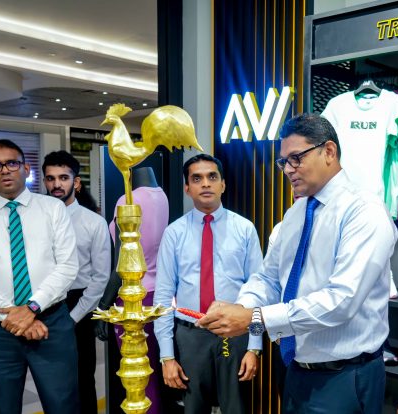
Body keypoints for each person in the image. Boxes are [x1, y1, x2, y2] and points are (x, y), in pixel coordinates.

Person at [199, 113, 397, 413]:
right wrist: (241, 306)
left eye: (296, 158)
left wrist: (253, 318)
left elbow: (341, 300)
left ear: (328, 151)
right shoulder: (295, 214)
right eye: (284, 162)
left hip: (345, 375)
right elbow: (268, 278)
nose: (288, 169)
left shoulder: (364, 211)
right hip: (296, 369)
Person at [0, 139, 80, 414]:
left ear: (26, 168)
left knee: (63, 405)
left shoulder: (53, 208)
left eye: (11, 163)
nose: (4, 170)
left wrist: (32, 308)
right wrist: (14, 316)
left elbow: (68, 266)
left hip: (51, 323)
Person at [153, 154, 263, 414]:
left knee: (236, 409)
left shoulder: (244, 229)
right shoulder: (174, 233)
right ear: (187, 188)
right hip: (190, 336)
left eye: (212, 177)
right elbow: (163, 296)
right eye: (197, 178)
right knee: (193, 409)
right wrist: (167, 356)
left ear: (222, 184)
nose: (205, 183)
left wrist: (255, 347)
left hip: (234, 333)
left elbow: (259, 291)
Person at [97, 166, 171, 414]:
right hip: (157, 295)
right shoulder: (161, 195)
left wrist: (103, 307)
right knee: (152, 374)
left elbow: (123, 265)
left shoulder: (128, 200)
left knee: (138, 378)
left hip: (133, 298)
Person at [42, 150, 111, 414]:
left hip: (78, 304)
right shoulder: (36, 219)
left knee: (82, 378)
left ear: (76, 182)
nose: (56, 184)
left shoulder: (94, 223)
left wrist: (74, 317)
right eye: (50, 178)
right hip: (42, 303)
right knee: (49, 379)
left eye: (63, 177)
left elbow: (100, 277)